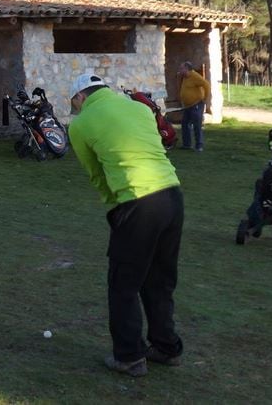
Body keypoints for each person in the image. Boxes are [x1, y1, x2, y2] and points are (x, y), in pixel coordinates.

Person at [68, 73, 185, 378]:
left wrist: (116, 206)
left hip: (137, 202)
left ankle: (130, 356)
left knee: (123, 284)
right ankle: (166, 346)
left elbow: (95, 173)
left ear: (81, 97)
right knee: (159, 279)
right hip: (172, 195)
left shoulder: (80, 124)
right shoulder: (138, 108)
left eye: (73, 102)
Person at [178, 61, 211, 152]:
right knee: (185, 123)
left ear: (187, 69)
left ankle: (199, 146)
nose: (180, 70)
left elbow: (206, 85)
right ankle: (187, 144)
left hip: (196, 104)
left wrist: (205, 98)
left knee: (197, 125)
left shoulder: (195, 76)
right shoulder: (185, 77)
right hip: (188, 106)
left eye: (181, 68)